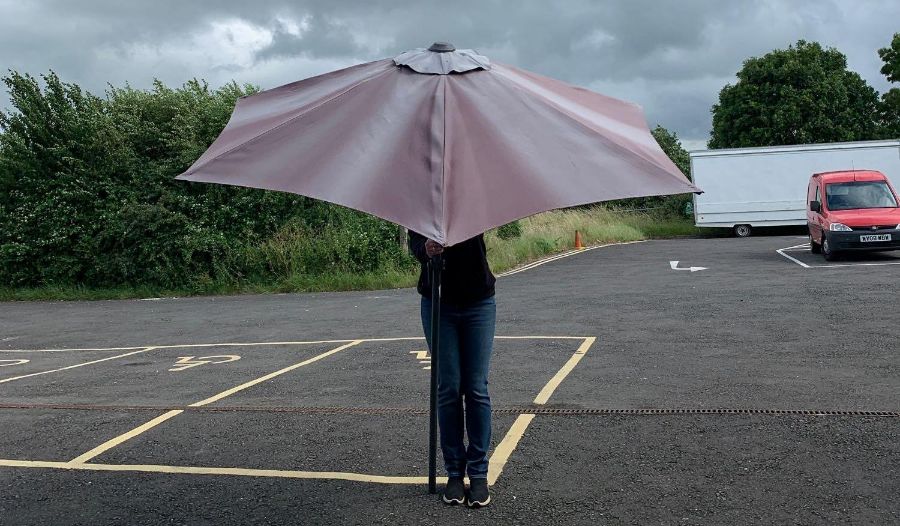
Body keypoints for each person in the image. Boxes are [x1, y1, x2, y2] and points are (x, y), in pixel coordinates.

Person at [408, 230, 497, 508]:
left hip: (478, 301)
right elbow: (415, 244)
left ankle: (478, 475)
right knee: (448, 387)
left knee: (476, 387)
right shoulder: (424, 198)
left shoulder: (475, 193)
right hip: (437, 302)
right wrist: (426, 249)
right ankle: (455, 474)